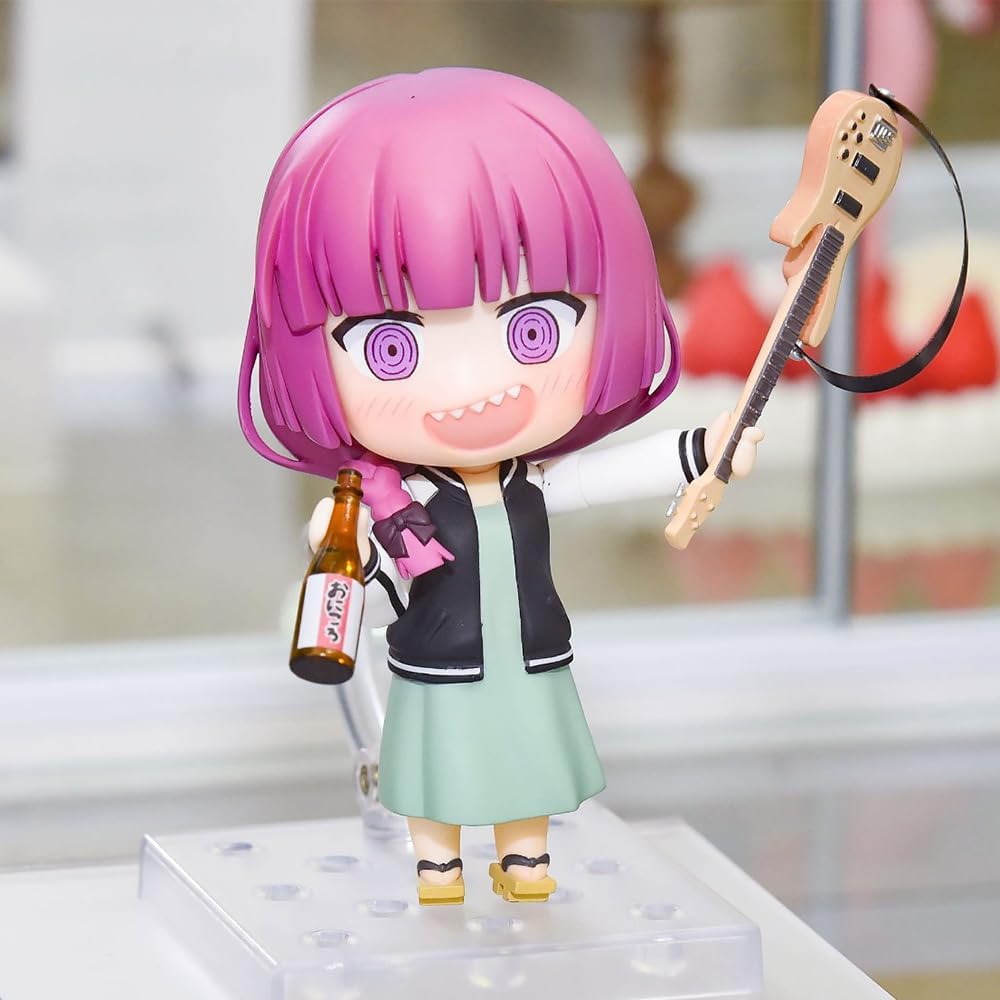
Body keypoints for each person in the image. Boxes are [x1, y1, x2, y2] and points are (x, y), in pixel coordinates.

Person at [238, 67, 762, 905]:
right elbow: (347, 592)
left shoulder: (529, 482)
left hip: (529, 657)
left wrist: (702, 449)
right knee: (435, 763)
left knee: (529, 759)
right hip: (436, 666)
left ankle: (524, 858)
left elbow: (600, 478)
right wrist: (336, 568)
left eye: (533, 329)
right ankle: (438, 864)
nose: (473, 390)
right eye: (391, 349)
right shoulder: (386, 505)